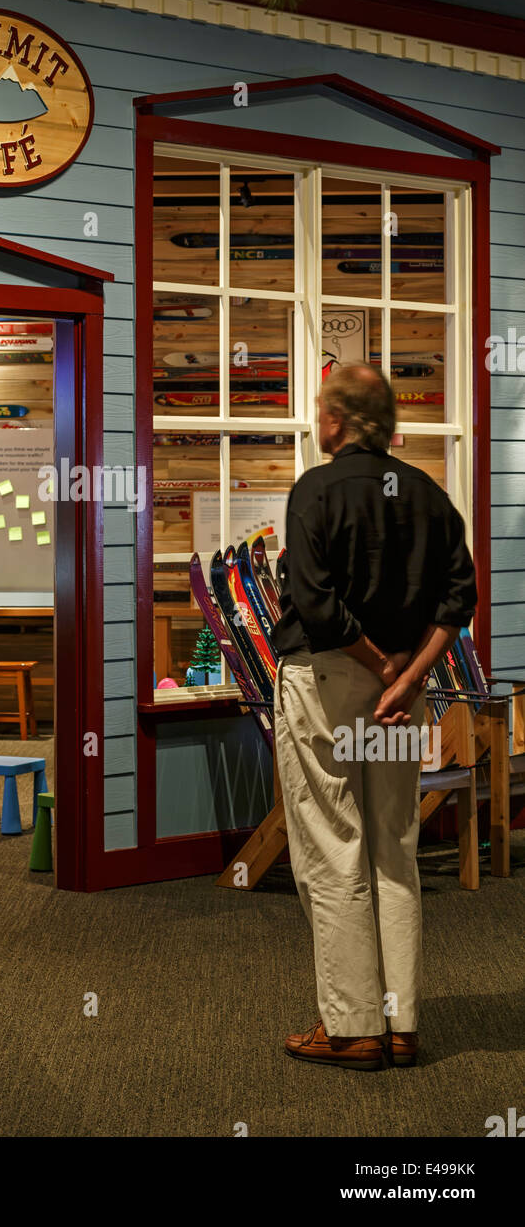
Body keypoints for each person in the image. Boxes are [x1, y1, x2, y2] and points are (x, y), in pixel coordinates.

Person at [271, 363, 477, 1071]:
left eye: (321, 410)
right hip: (401, 694)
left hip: (327, 680)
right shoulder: (427, 495)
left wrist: (379, 669)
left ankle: (354, 1026)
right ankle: (402, 1023)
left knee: (334, 847)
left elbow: (319, 607)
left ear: (336, 421)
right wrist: (407, 676)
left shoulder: (314, 492)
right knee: (394, 844)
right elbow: (460, 599)